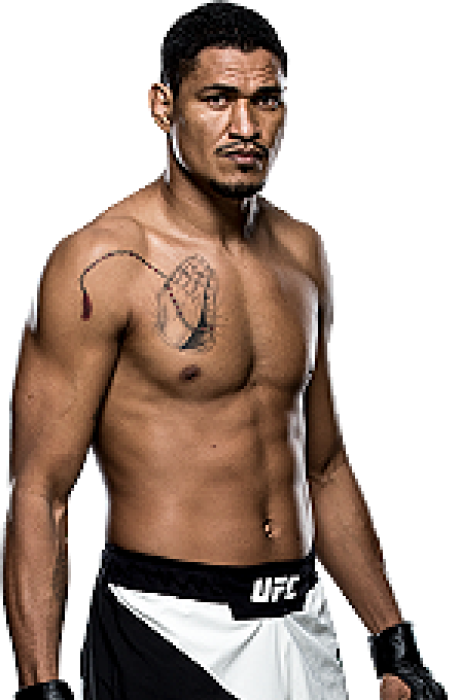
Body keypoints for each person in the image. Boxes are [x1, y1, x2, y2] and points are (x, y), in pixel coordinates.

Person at [3, 2, 447, 699]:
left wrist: (393, 640)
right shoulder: (100, 264)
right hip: (169, 625)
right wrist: (42, 688)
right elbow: (40, 492)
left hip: (302, 621)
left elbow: (325, 465)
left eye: (265, 100)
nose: (246, 126)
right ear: (164, 106)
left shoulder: (302, 252)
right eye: (217, 99)